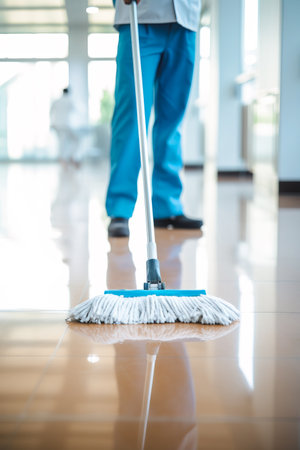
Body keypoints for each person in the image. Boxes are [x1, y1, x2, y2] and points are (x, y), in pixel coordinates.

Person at [106, 0, 203, 237]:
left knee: (172, 122)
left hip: (185, 21)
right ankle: (120, 208)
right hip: (139, 17)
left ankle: (167, 207)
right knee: (131, 119)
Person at [50, 87, 82, 168]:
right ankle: (67, 158)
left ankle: (66, 158)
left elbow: (51, 112)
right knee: (75, 140)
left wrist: (52, 123)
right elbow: (76, 111)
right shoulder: (69, 101)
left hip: (57, 125)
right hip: (65, 125)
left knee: (62, 143)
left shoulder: (56, 101)